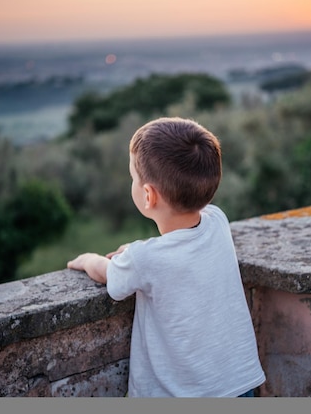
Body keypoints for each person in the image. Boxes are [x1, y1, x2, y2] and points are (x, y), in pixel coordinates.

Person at [67, 117, 266, 397]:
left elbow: (109, 273)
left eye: (133, 178)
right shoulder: (218, 221)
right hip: (240, 384)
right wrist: (135, 253)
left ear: (148, 196)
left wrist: (87, 259)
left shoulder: (143, 259)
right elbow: (177, 250)